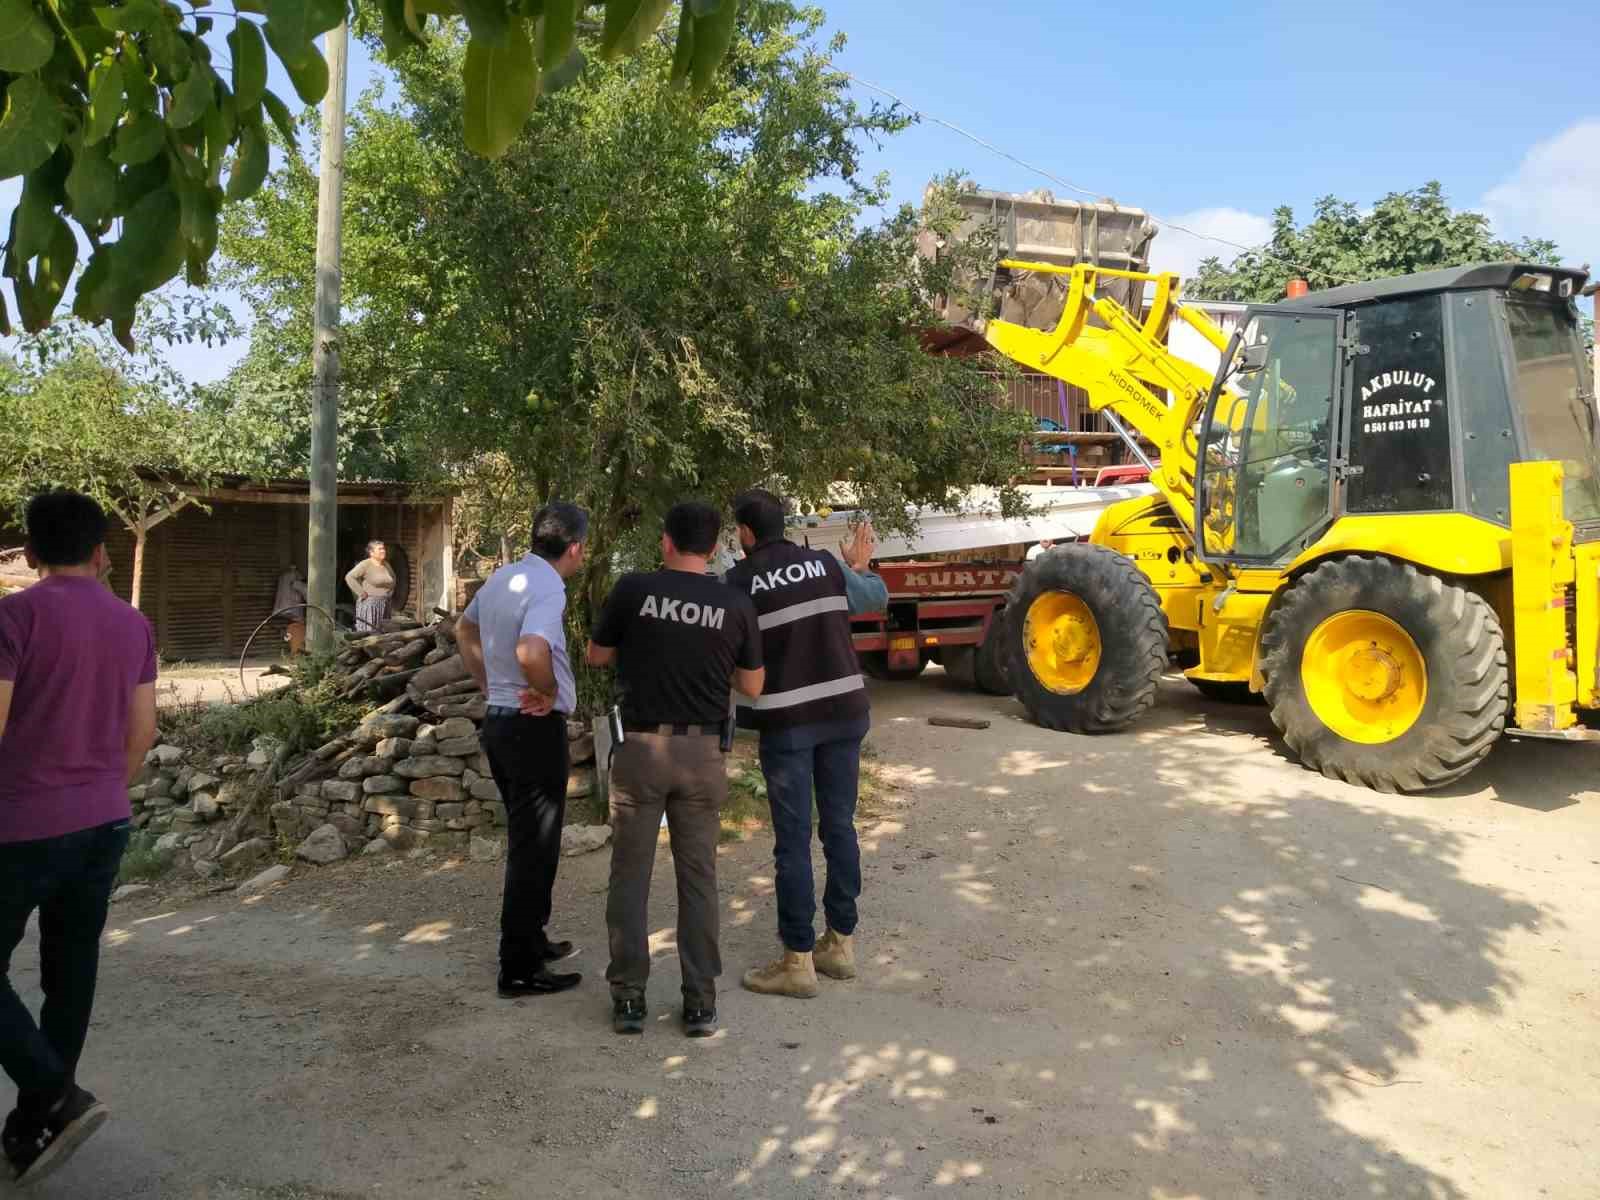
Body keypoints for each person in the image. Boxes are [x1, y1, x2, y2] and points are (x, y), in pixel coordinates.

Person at [0, 491, 158, 1186]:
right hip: (103, 822)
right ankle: (37, 1124)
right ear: (102, 552)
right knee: (71, 972)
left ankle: (52, 1094)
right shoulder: (133, 624)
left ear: (30, 554)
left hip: (19, 824)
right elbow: (143, 732)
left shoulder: (14, 617)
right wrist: (100, 791)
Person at [586, 502, 765, 1037]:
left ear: (665, 542)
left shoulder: (633, 590)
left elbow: (597, 655)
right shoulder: (735, 602)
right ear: (714, 548)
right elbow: (752, 687)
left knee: (629, 875)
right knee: (699, 878)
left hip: (641, 752)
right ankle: (700, 1002)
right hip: (703, 754)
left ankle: (629, 999)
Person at [724, 489, 888, 999]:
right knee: (839, 827)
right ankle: (840, 945)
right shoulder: (823, 565)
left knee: (792, 841)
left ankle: (797, 961)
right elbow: (875, 598)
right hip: (845, 713)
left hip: (789, 723)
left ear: (746, 534)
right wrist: (861, 566)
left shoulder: (740, 583)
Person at [455, 503, 588, 998]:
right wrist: (548, 690)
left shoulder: (503, 578)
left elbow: (464, 630)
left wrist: (489, 684)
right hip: (533, 729)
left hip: (501, 723)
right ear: (574, 547)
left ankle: (533, 939)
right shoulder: (549, 586)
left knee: (531, 842)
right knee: (533, 849)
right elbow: (533, 651)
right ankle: (518, 967)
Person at [345, 541, 395, 632]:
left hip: (385, 605)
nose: (383, 551)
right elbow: (349, 577)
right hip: (370, 606)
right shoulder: (365, 564)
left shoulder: (386, 565)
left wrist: (390, 592)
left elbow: (393, 578)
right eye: (380, 549)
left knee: (384, 634)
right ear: (371, 553)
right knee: (370, 634)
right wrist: (361, 593)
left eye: (383, 549)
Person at [273, 564, 308, 656]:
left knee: (289, 635)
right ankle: (294, 650)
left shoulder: (283, 577)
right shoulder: (295, 580)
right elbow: (306, 592)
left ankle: (288, 648)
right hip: (292, 610)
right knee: (294, 633)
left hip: (282, 609)